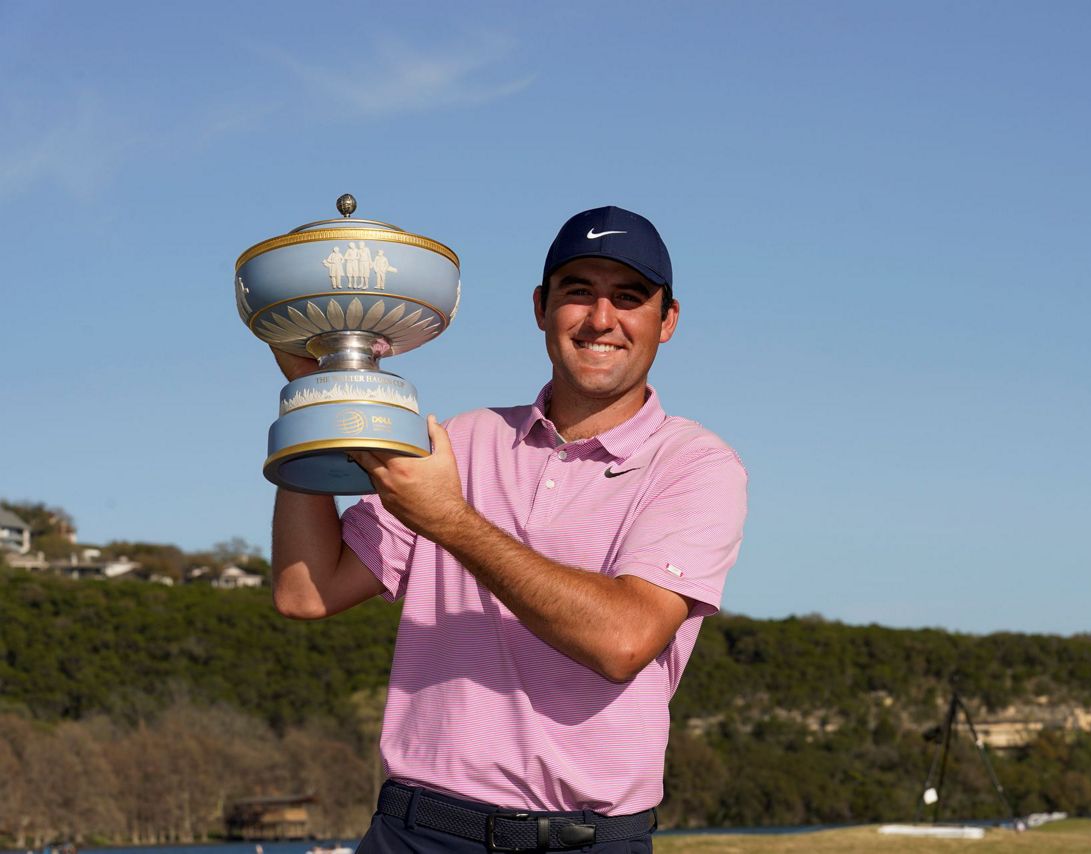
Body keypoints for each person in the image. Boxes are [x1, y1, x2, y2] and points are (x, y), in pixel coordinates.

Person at [271, 206, 748, 853]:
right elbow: (307, 589)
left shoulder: (695, 464)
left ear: (667, 322)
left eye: (629, 298)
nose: (601, 318)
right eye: (577, 292)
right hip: (416, 832)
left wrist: (452, 522)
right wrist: (317, 397)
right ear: (540, 308)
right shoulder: (461, 442)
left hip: (586, 841)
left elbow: (625, 639)